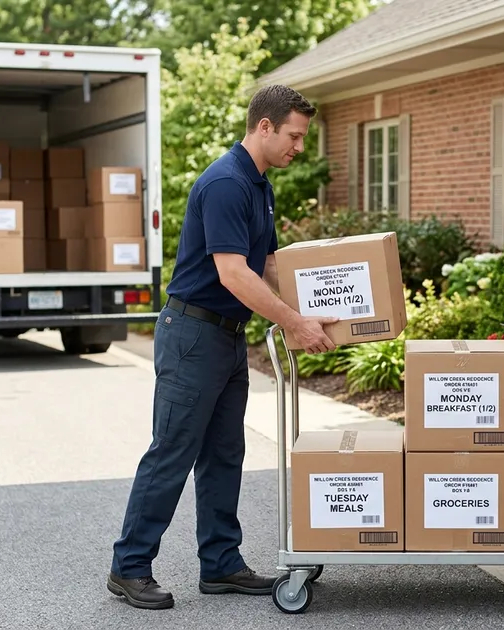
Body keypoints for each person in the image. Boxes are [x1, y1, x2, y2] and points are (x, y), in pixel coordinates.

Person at [107, 84, 339, 610]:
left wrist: (319, 304)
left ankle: (220, 564)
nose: (299, 147)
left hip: (227, 337)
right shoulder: (226, 183)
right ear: (264, 127)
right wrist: (295, 324)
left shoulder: (259, 185)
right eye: (294, 136)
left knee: (223, 455)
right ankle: (129, 567)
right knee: (172, 453)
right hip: (193, 336)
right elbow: (233, 273)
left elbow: (270, 263)